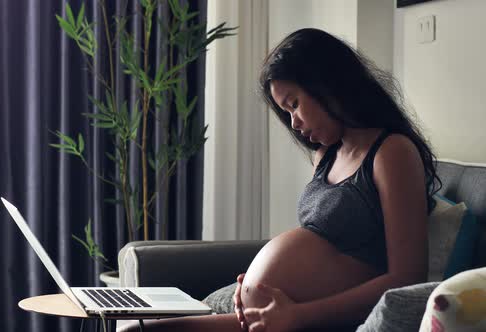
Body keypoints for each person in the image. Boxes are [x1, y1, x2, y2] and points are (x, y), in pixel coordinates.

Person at [119, 28, 441, 332]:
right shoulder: (326, 155)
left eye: (294, 104)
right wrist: (252, 286)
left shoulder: (391, 152)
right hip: (275, 318)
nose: (294, 123)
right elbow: (317, 252)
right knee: (137, 328)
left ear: (328, 84)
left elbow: (407, 278)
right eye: (287, 111)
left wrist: (298, 315)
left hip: (317, 321)